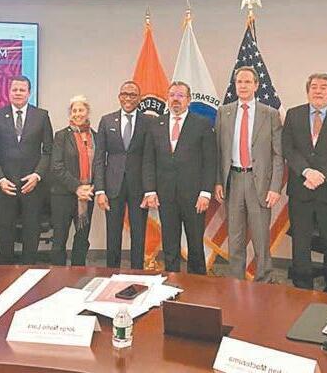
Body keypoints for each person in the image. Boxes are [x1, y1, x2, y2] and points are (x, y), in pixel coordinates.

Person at [282, 73, 327, 292]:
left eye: (323, 87)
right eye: (314, 87)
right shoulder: (294, 114)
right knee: (300, 242)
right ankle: (301, 288)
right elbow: (288, 148)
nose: (318, 90)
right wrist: (306, 171)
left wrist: (322, 175)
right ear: (307, 92)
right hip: (301, 189)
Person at [214, 66, 284, 282]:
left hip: (259, 183)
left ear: (256, 85)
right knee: (235, 237)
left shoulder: (269, 114)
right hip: (233, 181)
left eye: (247, 82)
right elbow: (218, 151)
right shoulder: (223, 112)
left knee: (261, 238)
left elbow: (278, 155)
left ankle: (263, 280)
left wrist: (275, 188)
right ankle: (236, 282)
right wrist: (218, 182)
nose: (243, 86)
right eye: (239, 82)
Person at [143, 81, 216, 275]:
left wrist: (206, 193)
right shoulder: (156, 124)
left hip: (194, 196)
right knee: (169, 244)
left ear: (189, 100)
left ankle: (197, 284)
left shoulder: (202, 124)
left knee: (195, 245)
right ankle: (171, 281)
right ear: (168, 98)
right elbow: (149, 160)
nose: (176, 99)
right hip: (165, 196)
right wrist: (150, 190)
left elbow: (210, 161)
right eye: (172, 95)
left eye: (180, 95)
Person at [0, 75, 53, 264]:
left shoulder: (42, 116)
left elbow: (48, 150)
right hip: (5, 185)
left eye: (22, 90)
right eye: (14, 89)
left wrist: (37, 175)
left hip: (32, 185)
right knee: (4, 231)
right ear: (8, 92)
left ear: (29, 93)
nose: (18, 93)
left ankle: (29, 269)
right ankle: (4, 271)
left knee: (32, 230)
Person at [94, 80, 149, 269]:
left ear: (139, 99)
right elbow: (99, 158)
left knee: (138, 234)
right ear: (119, 97)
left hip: (139, 187)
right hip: (112, 186)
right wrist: (100, 190)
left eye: (133, 95)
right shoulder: (107, 120)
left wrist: (150, 190)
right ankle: (112, 272)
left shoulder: (148, 122)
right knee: (113, 233)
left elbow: (150, 158)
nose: (128, 98)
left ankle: (137, 272)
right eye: (125, 94)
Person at [50, 95, 96, 266]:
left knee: (82, 239)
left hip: (87, 196)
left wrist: (90, 188)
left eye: (81, 110)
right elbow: (56, 166)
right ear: (70, 114)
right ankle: (58, 275)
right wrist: (77, 187)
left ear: (87, 112)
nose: (77, 114)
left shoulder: (95, 137)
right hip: (63, 195)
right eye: (74, 110)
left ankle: (79, 272)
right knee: (59, 240)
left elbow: (99, 165)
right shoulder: (61, 136)